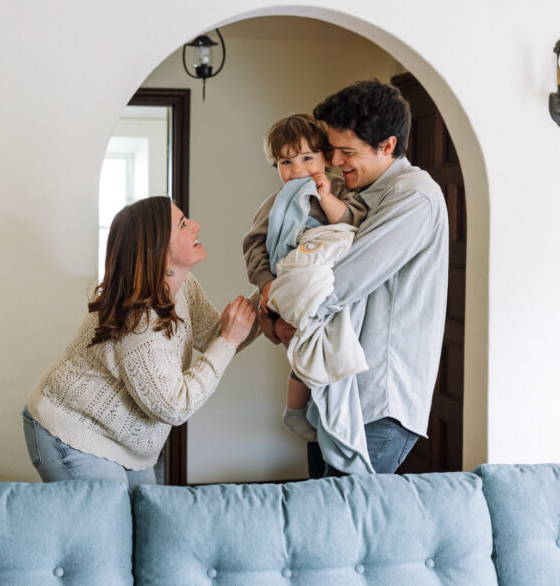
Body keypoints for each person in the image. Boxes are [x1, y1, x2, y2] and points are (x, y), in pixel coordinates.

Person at [265, 80, 449, 477]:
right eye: (332, 149)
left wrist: (277, 316)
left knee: (346, 529)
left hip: (376, 400)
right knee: (324, 519)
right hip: (333, 389)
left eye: (347, 152)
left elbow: (341, 281)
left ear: (387, 145)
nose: (335, 160)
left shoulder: (413, 197)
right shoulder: (359, 193)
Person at [24, 195, 257, 488]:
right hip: (72, 431)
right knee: (107, 532)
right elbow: (175, 405)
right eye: (183, 224)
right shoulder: (138, 324)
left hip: (127, 444)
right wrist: (228, 340)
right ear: (158, 250)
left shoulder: (183, 287)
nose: (196, 226)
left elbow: (218, 335)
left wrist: (274, 290)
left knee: (143, 523)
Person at [242, 114, 366, 443]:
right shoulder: (274, 205)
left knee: (321, 343)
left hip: (325, 281)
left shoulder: (340, 190)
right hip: (287, 283)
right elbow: (254, 246)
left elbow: (352, 220)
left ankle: (315, 408)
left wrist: (325, 196)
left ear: (327, 157)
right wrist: (267, 284)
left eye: (308, 158)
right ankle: (295, 410)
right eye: (286, 162)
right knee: (299, 341)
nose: (298, 170)